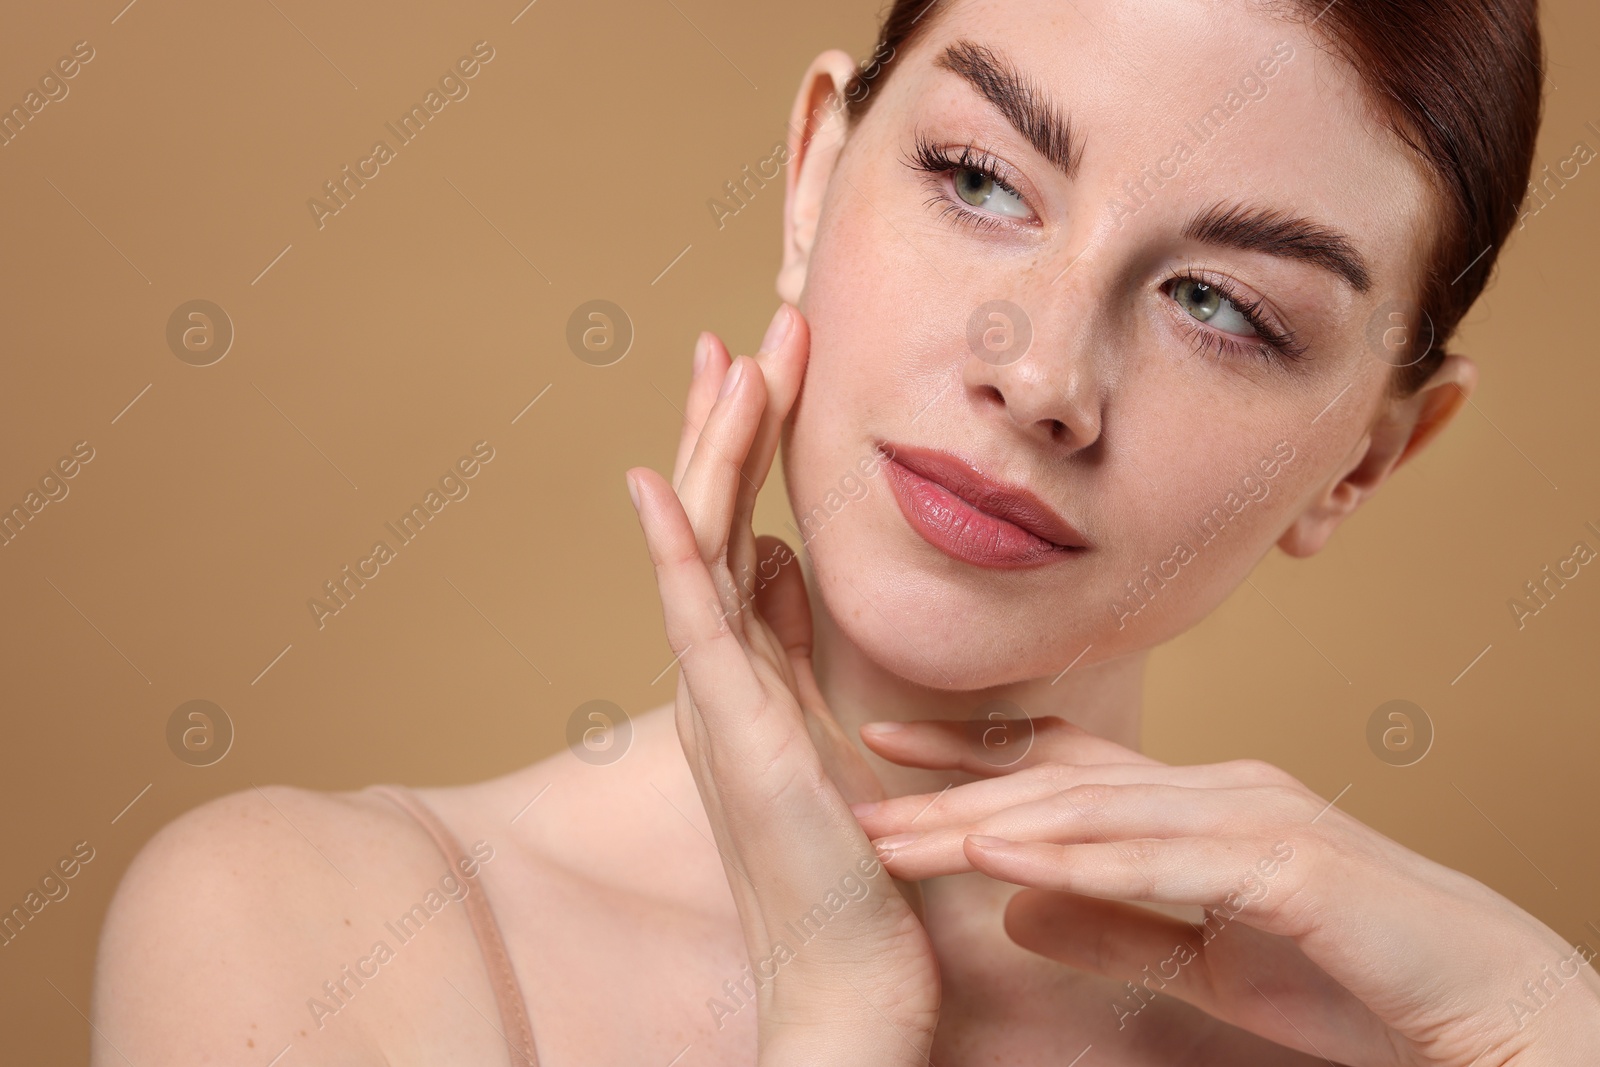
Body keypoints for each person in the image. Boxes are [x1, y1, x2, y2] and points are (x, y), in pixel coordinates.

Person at [92, 0, 1600, 1063]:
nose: (1041, 376)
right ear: (815, 169)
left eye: (1223, 306)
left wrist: (1552, 1026)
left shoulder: (1424, 1045)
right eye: (981, 179)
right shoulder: (304, 934)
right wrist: (838, 1019)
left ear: (1369, 460)